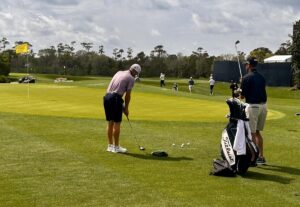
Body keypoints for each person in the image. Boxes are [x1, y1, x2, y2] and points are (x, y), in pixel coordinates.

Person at [103, 64, 141, 153]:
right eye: (136, 73)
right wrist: (126, 108)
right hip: (115, 98)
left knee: (110, 123)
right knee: (117, 123)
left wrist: (121, 105)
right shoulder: (131, 78)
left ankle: (110, 146)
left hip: (107, 97)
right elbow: (128, 95)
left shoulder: (119, 72)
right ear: (135, 72)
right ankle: (116, 147)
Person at [240, 56, 267, 165]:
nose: (246, 66)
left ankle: (253, 158)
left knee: (252, 133)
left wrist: (241, 83)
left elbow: (242, 96)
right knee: (257, 132)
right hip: (264, 106)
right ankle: (261, 157)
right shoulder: (261, 77)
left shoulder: (246, 78)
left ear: (250, 65)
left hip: (253, 107)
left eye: (246, 64)